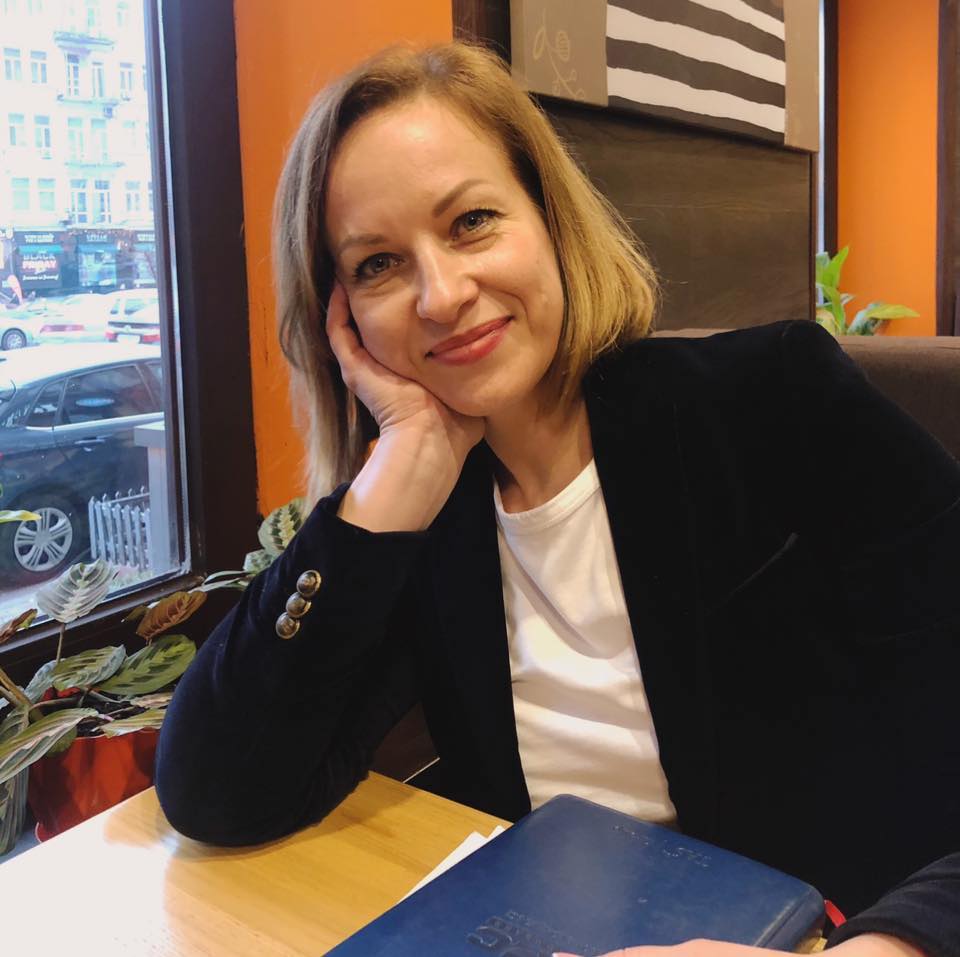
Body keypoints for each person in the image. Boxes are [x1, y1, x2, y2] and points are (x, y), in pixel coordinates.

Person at [155, 42, 960, 957]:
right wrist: (391, 477)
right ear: (341, 319)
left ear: (549, 219)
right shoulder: (426, 517)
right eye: (378, 264)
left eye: (471, 222)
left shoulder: (774, 401)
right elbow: (218, 791)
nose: (442, 295)